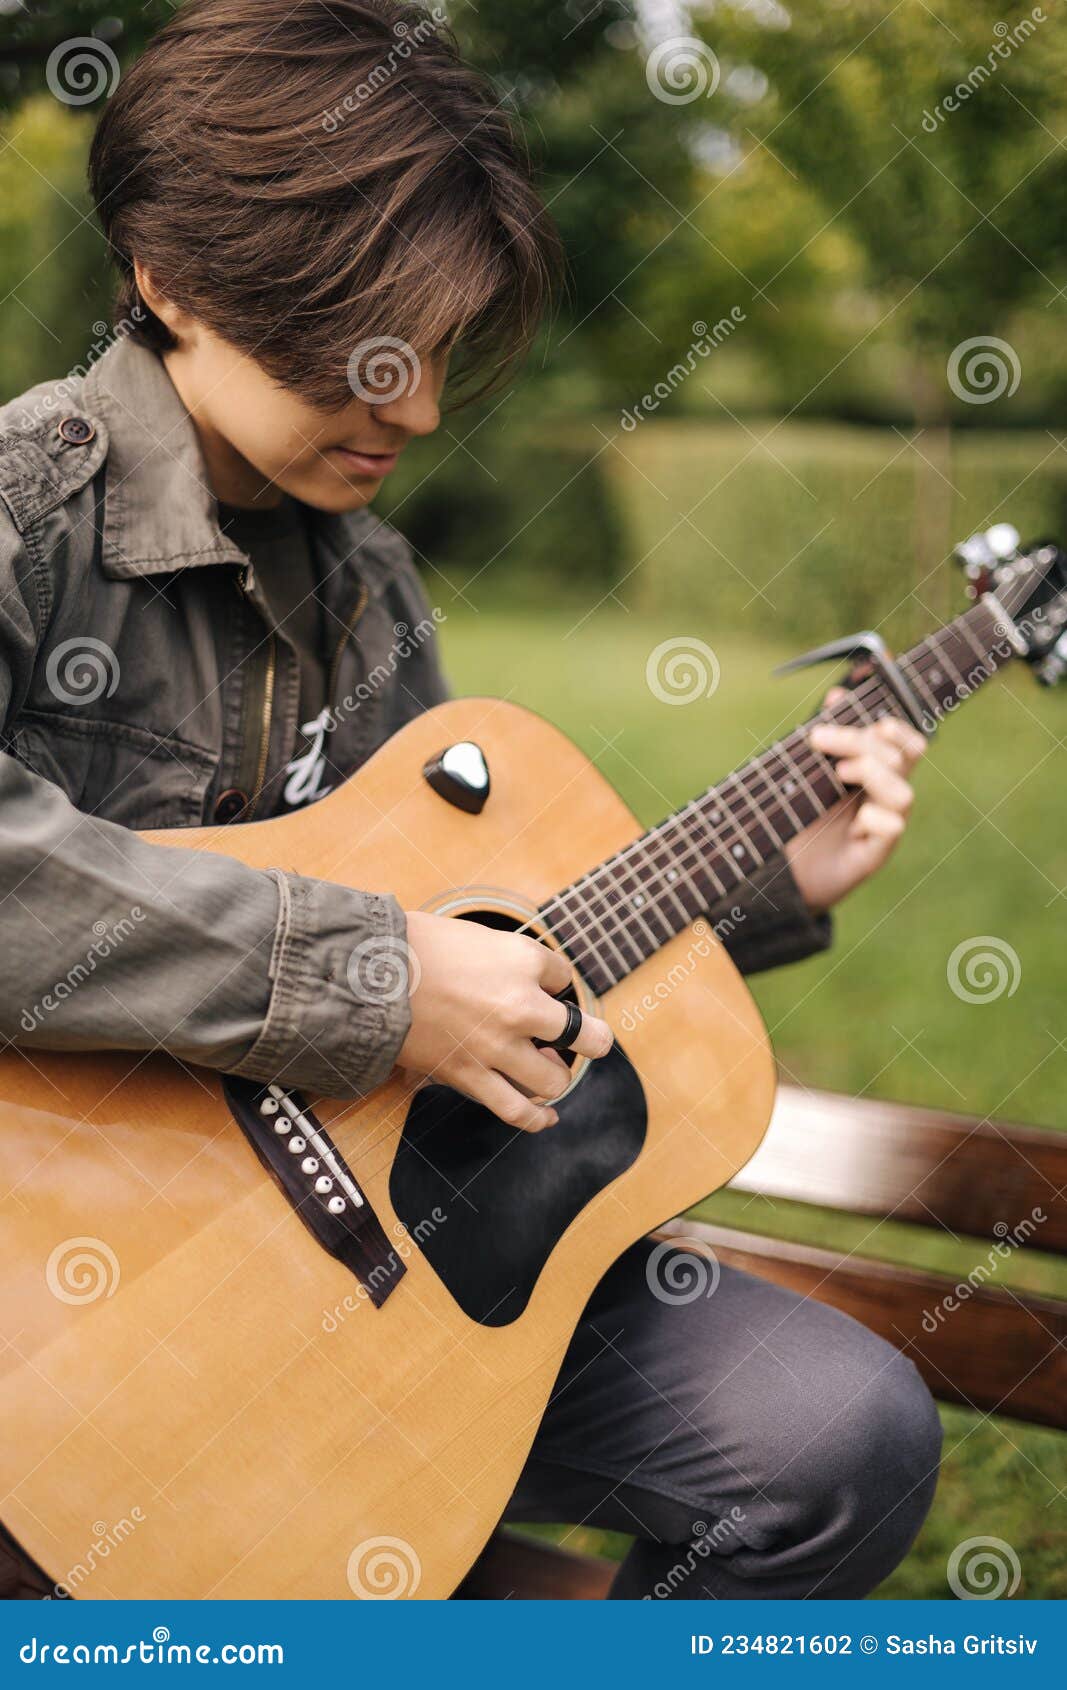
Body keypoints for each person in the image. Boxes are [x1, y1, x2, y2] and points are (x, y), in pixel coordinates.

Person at [0, 0, 940, 1600]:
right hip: (52, 1297)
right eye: (365, 345)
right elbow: (402, 962)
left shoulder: (373, 589)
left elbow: (500, 924)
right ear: (168, 275)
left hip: (354, 1269)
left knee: (841, 1431)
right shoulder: (25, 512)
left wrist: (773, 884)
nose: (419, 408)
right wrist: (379, 976)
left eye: (439, 352)